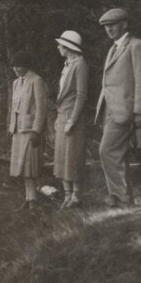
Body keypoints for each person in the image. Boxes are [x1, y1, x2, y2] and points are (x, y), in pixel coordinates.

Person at [95, 8, 141, 207]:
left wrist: (139, 112)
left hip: (125, 111)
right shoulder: (113, 48)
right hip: (110, 110)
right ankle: (123, 197)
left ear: (124, 24)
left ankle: (119, 197)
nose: (109, 29)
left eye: (112, 24)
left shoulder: (137, 46)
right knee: (117, 153)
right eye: (106, 26)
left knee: (106, 150)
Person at [52, 31, 89, 209]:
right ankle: (67, 196)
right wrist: (60, 119)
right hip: (62, 114)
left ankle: (76, 196)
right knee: (61, 156)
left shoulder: (80, 64)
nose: (58, 47)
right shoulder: (67, 65)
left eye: (61, 45)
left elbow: (81, 96)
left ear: (68, 47)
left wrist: (72, 121)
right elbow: (62, 95)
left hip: (73, 116)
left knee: (73, 156)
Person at [7, 51, 48, 209]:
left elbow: (41, 108)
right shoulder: (16, 83)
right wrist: (11, 127)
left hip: (30, 130)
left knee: (31, 165)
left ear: (26, 65)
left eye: (19, 65)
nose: (16, 69)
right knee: (22, 166)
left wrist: (37, 131)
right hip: (18, 130)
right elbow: (13, 108)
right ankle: (28, 197)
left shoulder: (36, 80)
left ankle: (34, 200)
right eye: (14, 66)